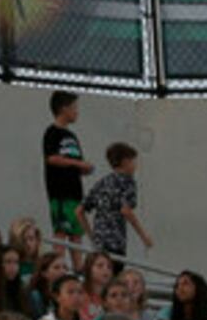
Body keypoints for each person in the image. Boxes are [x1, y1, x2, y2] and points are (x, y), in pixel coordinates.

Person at [85, 144, 154, 258]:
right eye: (133, 161)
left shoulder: (102, 182)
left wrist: (92, 237)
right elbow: (126, 210)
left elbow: (79, 211)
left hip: (99, 243)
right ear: (125, 161)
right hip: (115, 242)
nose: (135, 166)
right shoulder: (127, 181)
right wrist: (144, 237)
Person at [44, 91, 94, 244]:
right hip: (60, 193)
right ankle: (58, 264)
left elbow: (75, 162)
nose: (76, 112)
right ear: (63, 109)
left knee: (76, 234)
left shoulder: (72, 136)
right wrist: (78, 164)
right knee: (61, 232)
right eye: (74, 108)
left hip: (75, 193)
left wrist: (84, 168)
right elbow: (51, 158)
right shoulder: (52, 133)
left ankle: (78, 267)